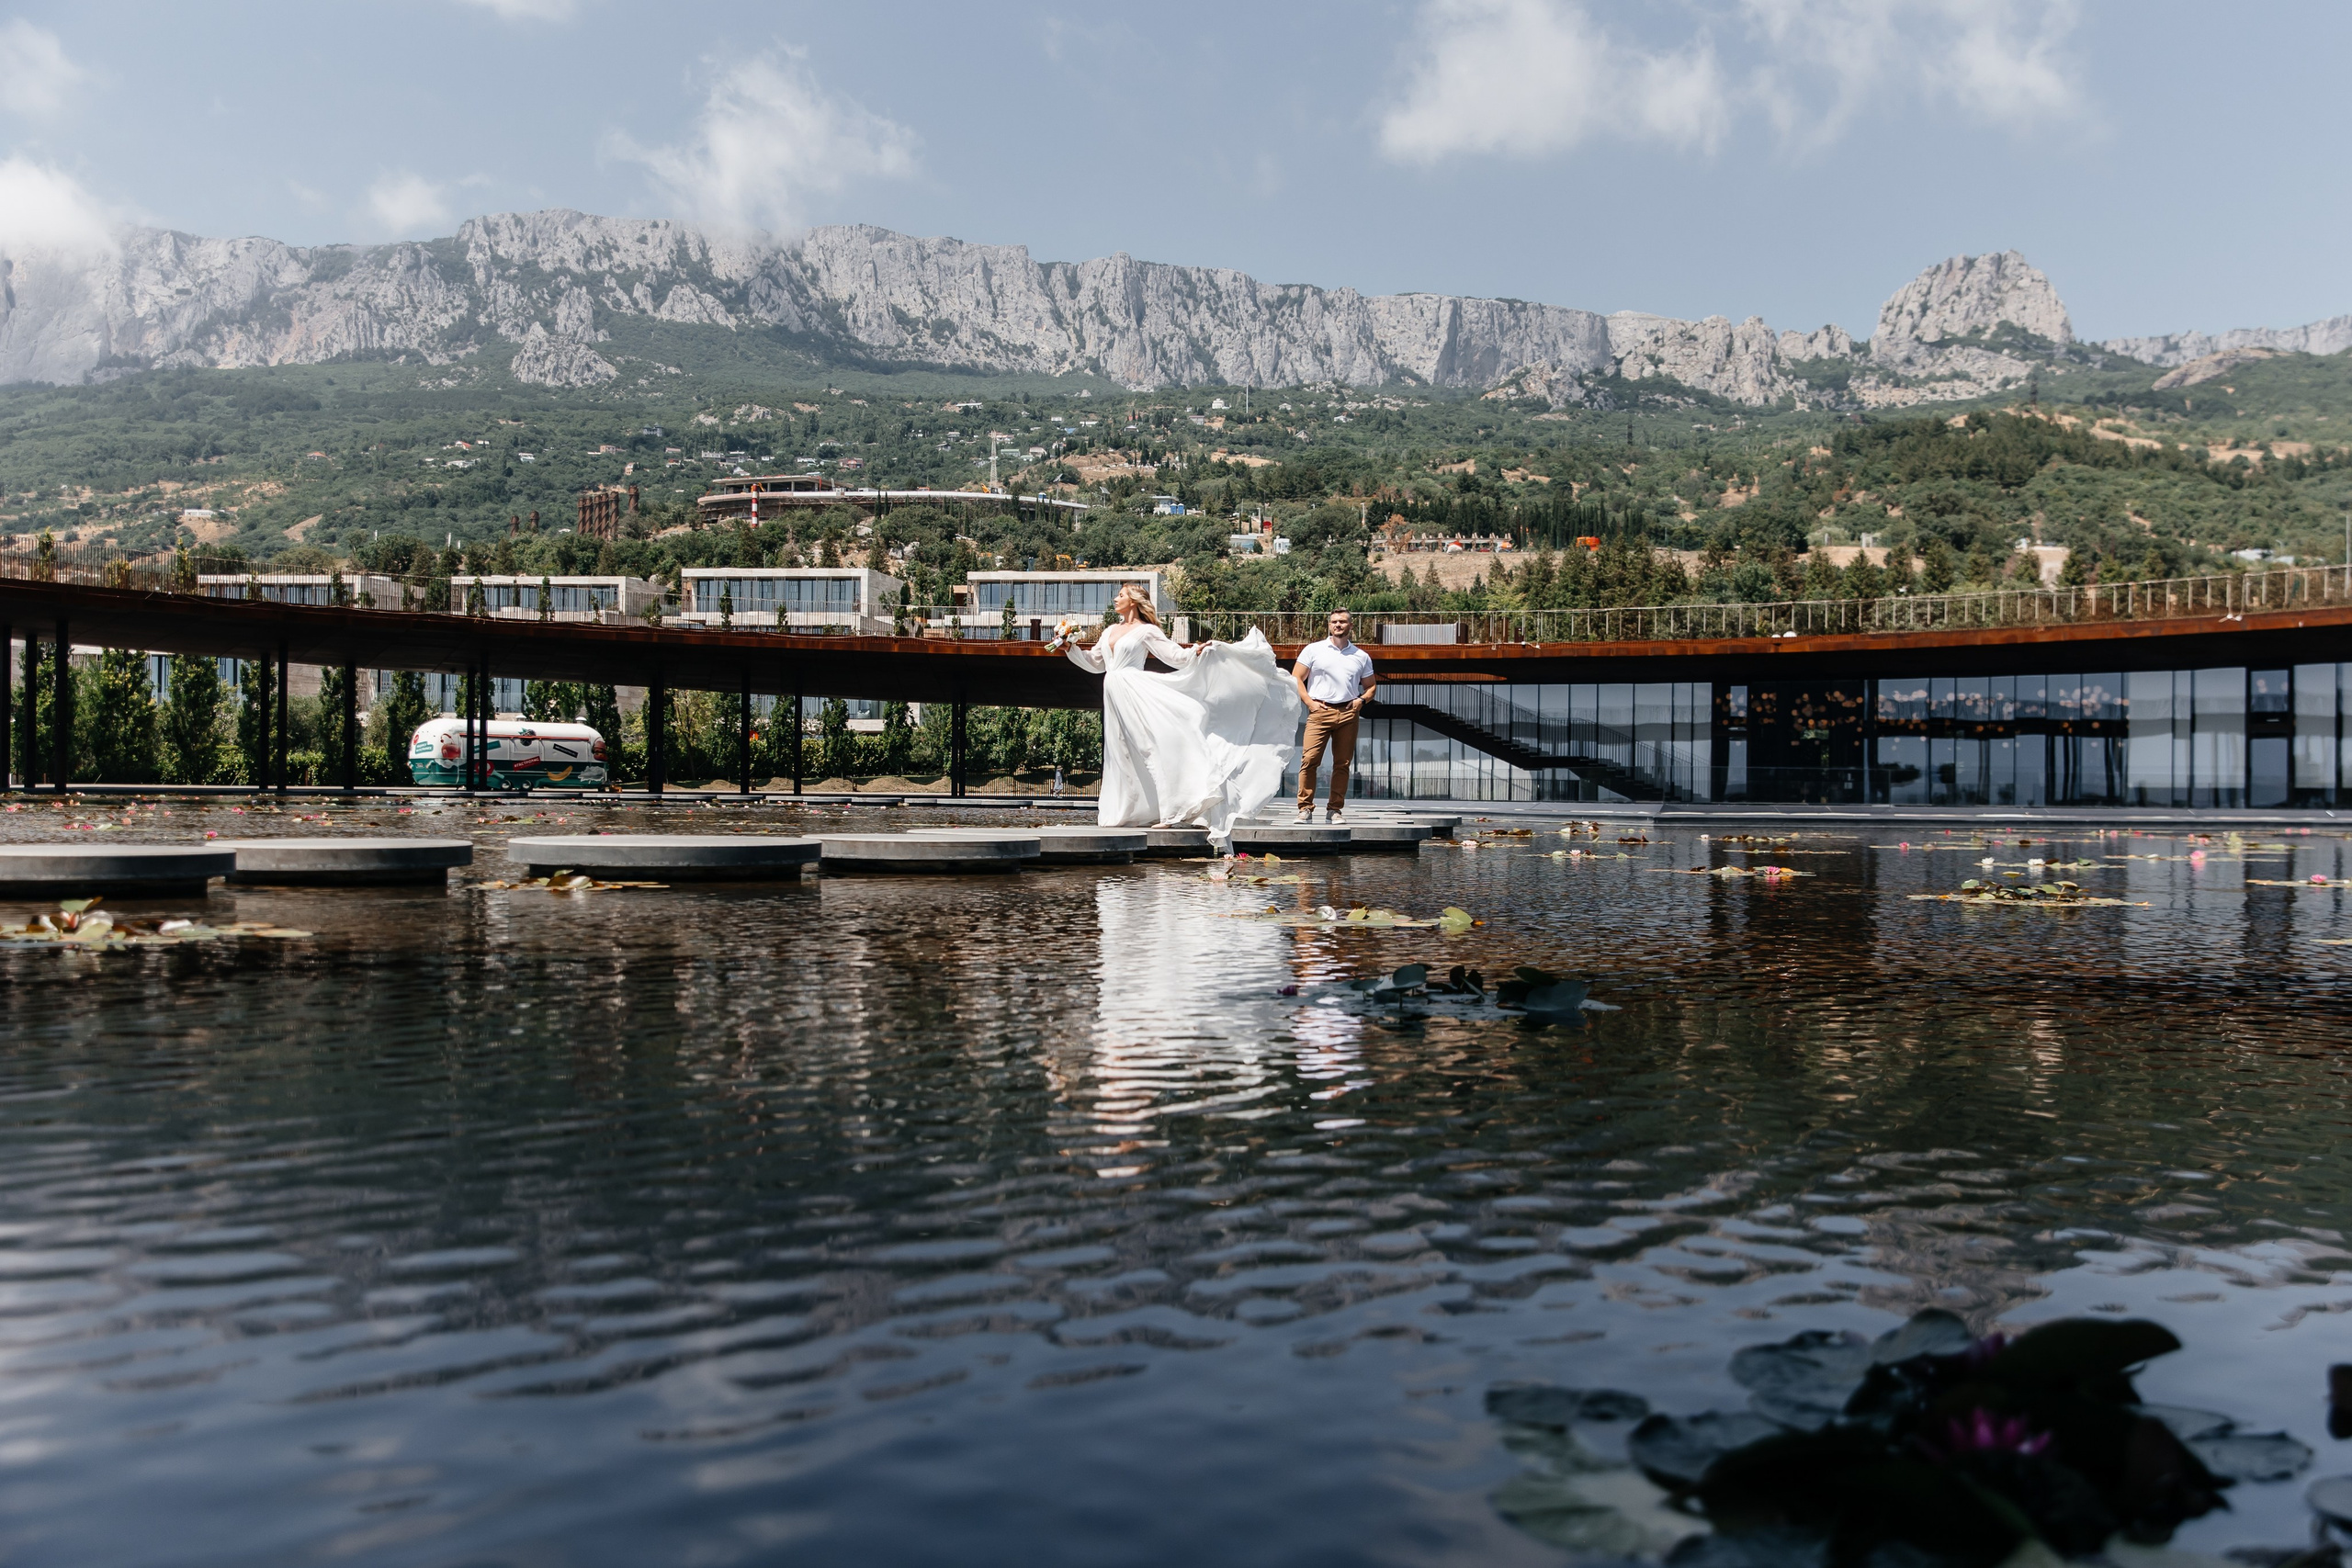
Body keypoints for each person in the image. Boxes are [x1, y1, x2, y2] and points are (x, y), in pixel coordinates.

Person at [1063, 585, 1301, 845]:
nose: (1115, 598)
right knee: (1121, 753)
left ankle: (1171, 811)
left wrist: (1194, 652)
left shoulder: (1147, 630)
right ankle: (1125, 812)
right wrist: (1070, 649)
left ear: (1133, 601)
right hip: (1114, 693)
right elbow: (1095, 663)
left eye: (1120, 595)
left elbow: (1173, 656)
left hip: (1136, 691)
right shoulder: (1110, 630)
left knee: (1149, 748)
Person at [1292, 608, 1375, 825]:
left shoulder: (1361, 656)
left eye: (1342, 622)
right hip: (1320, 711)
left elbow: (1371, 687)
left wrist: (1361, 701)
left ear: (1350, 626)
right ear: (1329, 625)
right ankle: (1305, 808)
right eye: (1334, 622)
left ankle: (1335, 810)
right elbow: (1296, 679)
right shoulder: (1313, 650)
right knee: (1309, 760)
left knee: (1342, 764)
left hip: (1348, 714)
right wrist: (1310, 703)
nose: (1338, 625)